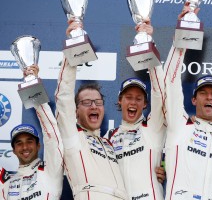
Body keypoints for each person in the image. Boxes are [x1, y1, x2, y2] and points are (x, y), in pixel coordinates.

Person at [161, 2, 212, 200]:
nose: (209, 97)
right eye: (203, 93)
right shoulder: (179, 124)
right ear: (194, 99)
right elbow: (170, 81)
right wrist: (180, 40)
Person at [54, 20, 127, 199]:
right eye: (87, 103)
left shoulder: (110, 143)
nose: (94, 106)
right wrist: (73, 46)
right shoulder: (72, 136)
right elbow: (63, 96)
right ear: (76, 111)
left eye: (98, 102)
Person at [104, 21, 167, 199]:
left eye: (139, 99)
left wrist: (149, 43)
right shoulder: (109, 136)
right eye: (129, 98)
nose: (133, 102)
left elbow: (159, 91)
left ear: (145, 104)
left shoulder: (153, 127)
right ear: (120, 101)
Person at [2, 66, 64, 200]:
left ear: (38, 145)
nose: (25, 147)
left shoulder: (50, 171)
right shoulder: (6, 184)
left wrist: (32, 86)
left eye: (29, 141)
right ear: (13, 150)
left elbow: (51, 134)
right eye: (19, 143)